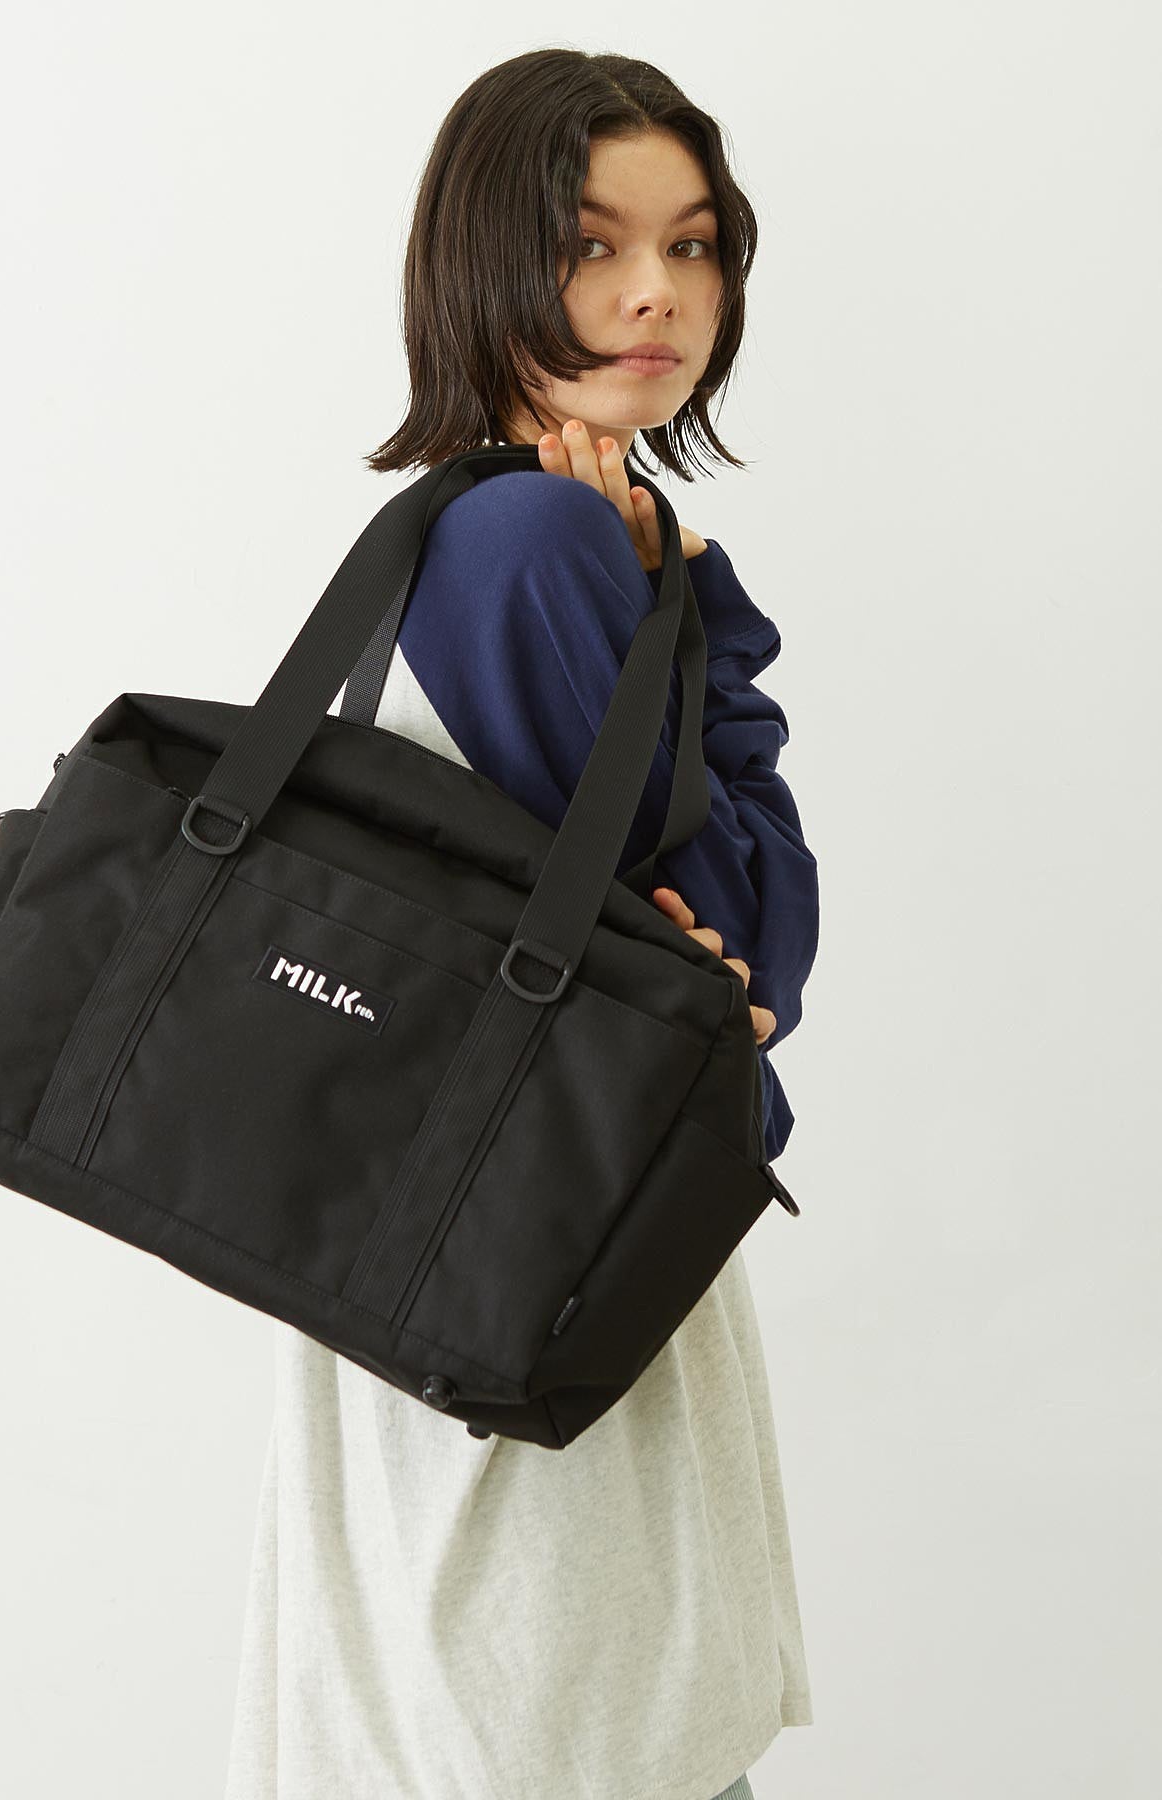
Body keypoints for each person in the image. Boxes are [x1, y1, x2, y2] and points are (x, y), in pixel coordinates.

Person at [224, 48, 819, 1800]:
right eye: (590, 246)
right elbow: (745, 951)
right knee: (579, 1736)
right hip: (548, 1299)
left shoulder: (484, 537)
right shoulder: (544, 546)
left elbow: (702, 940)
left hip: (436, 1281)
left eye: (693, 244)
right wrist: (692, 616)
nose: (658, 294)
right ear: (483, 263)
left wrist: (676, 597)